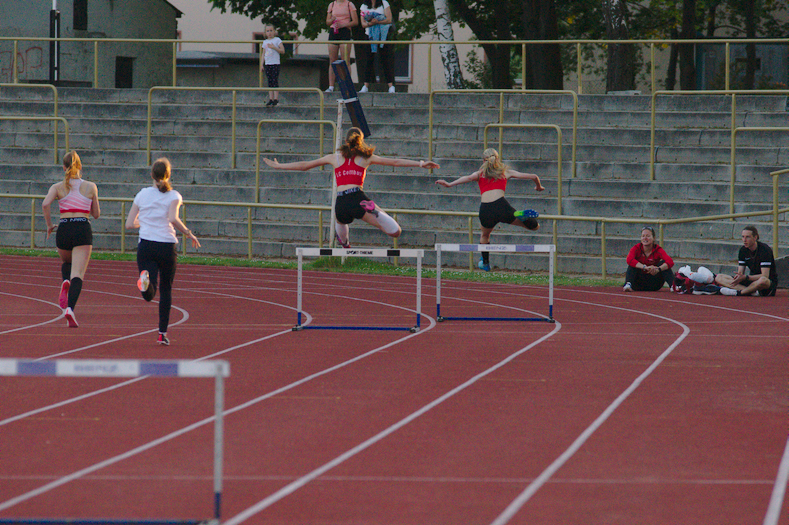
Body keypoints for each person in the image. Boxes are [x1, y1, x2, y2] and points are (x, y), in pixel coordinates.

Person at [264, 127, 438, 246]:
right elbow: (395, 162)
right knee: (395, 232)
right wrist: (420, 163)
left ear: (346, 141)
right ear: (360, 141)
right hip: (358, 198)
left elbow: (305, 165)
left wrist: (280, 166)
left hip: (341, 202)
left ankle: (345, 243)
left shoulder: (334, 157)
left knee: (341, 224)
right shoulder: (366, 158)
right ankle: (376, 213)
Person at [125, 158, 201, 346]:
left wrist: (145, 221)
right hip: (166, 246)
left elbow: (129, 224)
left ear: (152, 175)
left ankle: (145, 283)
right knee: (166, 289)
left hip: (146, 246)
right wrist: (189, 233)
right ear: (169, 175)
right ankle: (161, 334)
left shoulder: (142, 194)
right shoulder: (174, 195)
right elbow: (173, 218)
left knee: (150, 293)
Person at [435, 148, 544, 272]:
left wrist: (449, 184)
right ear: (498, 159)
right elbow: (533, 176)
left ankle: (485, 263)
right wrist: (538, 186)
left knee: (485, 236)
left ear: (483, 160)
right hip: (502, 206)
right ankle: (522, 216)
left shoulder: (479, 174)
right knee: (535, 227)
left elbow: (468, 178)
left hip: (485, 210)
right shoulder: (505, 172)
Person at [41, 151, 100, 328]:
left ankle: (65, 281)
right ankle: (70, 309)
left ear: (64, 167)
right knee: (78, 274)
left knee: (67, 262)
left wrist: (49, 225)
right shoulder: (91, 186)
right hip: (82, 228)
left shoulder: (57, 187)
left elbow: (45, 204)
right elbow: (96, 214)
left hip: (64, 229)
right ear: (80, 166)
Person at [711, 226, 777, 296]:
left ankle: (739, 292)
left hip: (766, 283)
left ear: (755, 237)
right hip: (751, 280)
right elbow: (740, 273)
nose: (744, 240)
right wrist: (738, 277)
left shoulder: (764, 250)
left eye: (747, 237)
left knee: (763, 280)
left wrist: (746, 277)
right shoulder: (743, 250)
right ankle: (751, 291)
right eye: (743, 237)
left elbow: (765, 275)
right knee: (719, 277)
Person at [622, 226, 675, 292]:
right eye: (643, 236)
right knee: (633, 263)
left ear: (654, 238)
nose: (645, 238)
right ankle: (628, 284)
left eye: (648, 236)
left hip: (654, 283)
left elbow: (670, 261)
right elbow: (629, 259)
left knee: (663, 263)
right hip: (637, 283)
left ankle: (673, 286)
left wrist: (658, 269)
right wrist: (645, 267)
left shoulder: (658, 249)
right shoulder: (636, 248)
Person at [359, 0, 395, 94]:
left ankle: (391, 86)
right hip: (370, 36)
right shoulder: (364, 6)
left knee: (385, 60)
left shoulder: (384, 3)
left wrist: (378, 21)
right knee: (369, 60)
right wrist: (371, 23)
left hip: (382, 36)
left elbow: (389, 19)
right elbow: (363, 24)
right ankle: (365, 85)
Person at [325, 0, 358, 93]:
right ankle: (331, 86)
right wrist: (332, 20)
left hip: (345, 31)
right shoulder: (332, 4)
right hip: (334, 31)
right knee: (332, 60)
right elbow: (327, 22)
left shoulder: (349, 4)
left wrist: (343, 25)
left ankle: (347, 85)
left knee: (345, 60)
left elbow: (355, 21)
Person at [262, 24, 285, 107]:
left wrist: (274, 47)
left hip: (275, 63)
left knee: (274, 80)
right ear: (265, 32)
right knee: (270, 81)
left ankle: (276, 98)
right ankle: (271, 99)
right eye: (267, 31)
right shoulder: (265, 42)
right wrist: (261, 64)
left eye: (271, 30)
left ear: (274, 31)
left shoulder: (277, 40)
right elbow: (263, 54)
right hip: (268, 64)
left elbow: (282, 51)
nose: (269, 33)